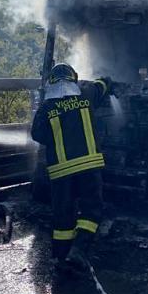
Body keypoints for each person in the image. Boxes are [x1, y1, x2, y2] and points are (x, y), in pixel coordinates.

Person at [30, 63, 112, 274]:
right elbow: (103, 85)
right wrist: (105, 80)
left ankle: (60, 259)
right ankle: (78, 251)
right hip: (88, 165)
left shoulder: (46, 107)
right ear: (73, 79)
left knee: (63, 217)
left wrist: (58, 137)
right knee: (91, 210)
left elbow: (37, 135)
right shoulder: (86, 94)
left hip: (61, 170)